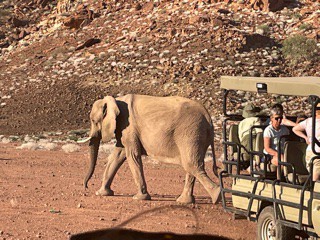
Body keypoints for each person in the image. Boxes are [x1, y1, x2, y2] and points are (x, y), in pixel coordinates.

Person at [293, 104, 320, 181]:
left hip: (310, 152)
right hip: (317, 153)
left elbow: (295, 129)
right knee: (315, 180)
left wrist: (306, 138)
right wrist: (305, 138)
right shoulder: (309, 121)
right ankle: (312, 191)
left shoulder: (308, 121)